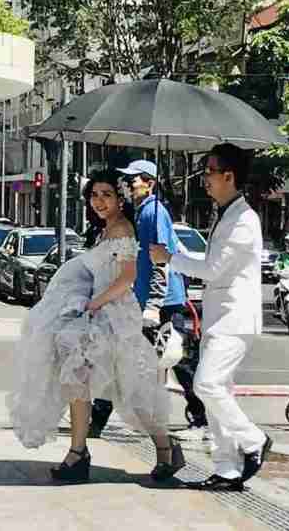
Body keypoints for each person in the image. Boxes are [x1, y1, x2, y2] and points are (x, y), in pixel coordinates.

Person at [7, 169, 184, 483]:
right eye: (94, 195)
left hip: (113, 315)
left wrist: (92, 304)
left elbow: (127, 278)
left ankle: (166, 445)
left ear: (120, 199)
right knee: (77, 379)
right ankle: (78, 453)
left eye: (107, 195)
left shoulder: (122, 229)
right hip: (95, 312)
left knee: (132, 390)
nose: (99, 201)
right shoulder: (104, 230)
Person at [150, 143, 272, 492]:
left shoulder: (243, 220)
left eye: (209, 171)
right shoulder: (226, 213)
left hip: (234, 319)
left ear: (229, 176)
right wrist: (171, 251)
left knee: (206, 384)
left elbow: (213, 270)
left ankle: (253, 441)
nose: (204, 178)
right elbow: (210, 262)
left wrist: (170, 258)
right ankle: (227, 468)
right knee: (218, 389)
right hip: (221, 317)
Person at [89, 160, 208, 438]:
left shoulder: (154, 213)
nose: (128, 185)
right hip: (144, 302)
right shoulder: (142, 212)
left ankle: (202, 417)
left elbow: (160, 261)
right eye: (127, 181)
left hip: (163, 304)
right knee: (123, 357)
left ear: (150, 183)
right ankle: (98, 419)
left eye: (134, 181)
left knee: (179, 361)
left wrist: (154, 306)